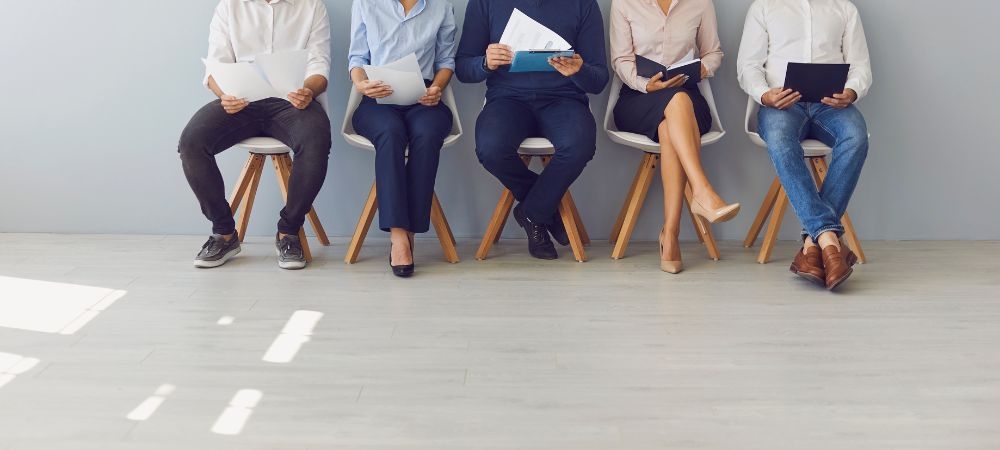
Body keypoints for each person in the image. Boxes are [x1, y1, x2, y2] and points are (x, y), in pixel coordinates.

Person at [178, 0, 332, 270]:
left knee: (316, 139)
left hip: (292, 102)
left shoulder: (311, 6)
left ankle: (289, 232)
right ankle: (224, 233)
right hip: (240, 101)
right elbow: (214, 67)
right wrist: (224, 95)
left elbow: (320, 64)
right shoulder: (229, 6)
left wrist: (308, 90)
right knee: (191, 142)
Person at [456, 0, 609, 260]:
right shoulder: (485, 3)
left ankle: (532, 213)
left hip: (564, 99)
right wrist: (485, 63)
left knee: (579, 144)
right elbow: (463, 68)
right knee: (490, 147)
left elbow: (598, 79)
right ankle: (546, 210)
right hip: (507, 99)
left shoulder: (583, 4)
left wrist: (579, 70)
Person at [737, 0, 872, 290]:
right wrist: (765, 94)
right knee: (781, 141)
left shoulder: (844, 8)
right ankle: (829, 241)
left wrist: (851, 91)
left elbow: (860, 65)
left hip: (830, 105)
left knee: (856, 137)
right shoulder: (764, 7)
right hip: (782, 105)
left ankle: (814, 243)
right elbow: (748, 66)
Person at [609, 0, 740, 274]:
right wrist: (646, 84)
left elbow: (713, 53)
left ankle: (670, 234)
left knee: (671, 122)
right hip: (639, 96)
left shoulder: (700, 3)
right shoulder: (624, 3)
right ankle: (701, 191)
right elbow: (620, 59)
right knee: (673, 108)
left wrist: (698, 70)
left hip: (688, 97)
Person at [348, 0, 458, 278]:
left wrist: (437, 87)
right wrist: (361, 84)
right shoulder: (365, 3)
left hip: (423, 97)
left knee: (428, 133)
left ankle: (411, 232)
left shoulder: (441, 6)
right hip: (377, 98)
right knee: (390, 132)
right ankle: (399, 236)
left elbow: (446, 61)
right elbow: (357, 59)